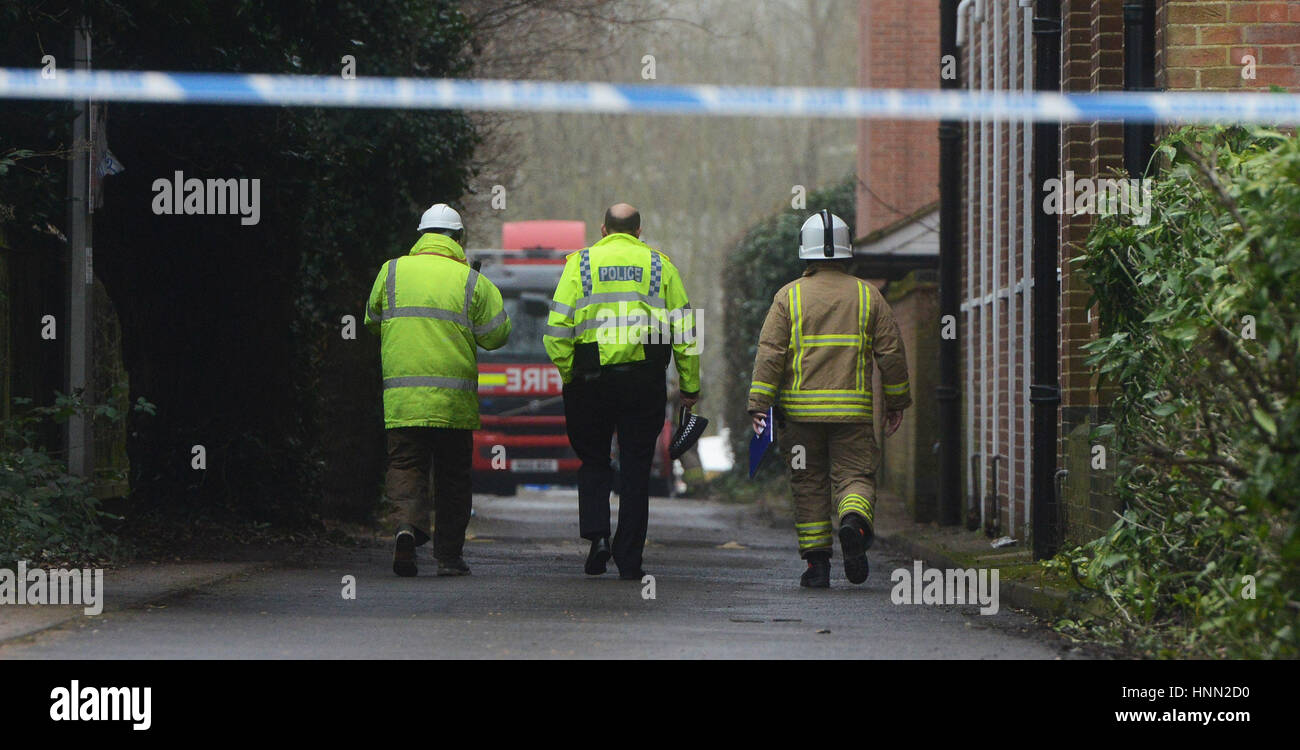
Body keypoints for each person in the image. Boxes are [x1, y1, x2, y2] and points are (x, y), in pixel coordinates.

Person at [746, 210, 911, 589]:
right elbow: (891, 353)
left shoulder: (788, 297)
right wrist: (897, 400)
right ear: (846, 251)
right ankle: (853, 522)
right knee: (854, 476)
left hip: (801, 417)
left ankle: (817, 566)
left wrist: (760, 404)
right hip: (852, 414)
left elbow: (770, 353)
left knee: (808, 482)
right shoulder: (869, 296)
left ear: (806, 252)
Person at [543, 203, 700, 579]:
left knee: (594, 460)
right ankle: (629, 558)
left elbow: (557, 330)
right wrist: (690, 386)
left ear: (603, 230)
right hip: (644, 380)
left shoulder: (579, 265)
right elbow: (685, 331)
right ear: (638, 231)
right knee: (636, 467)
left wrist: (570, 373)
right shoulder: (661, 265)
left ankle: (598, 538)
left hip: (590, 380)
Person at [364, 203, 511, 577]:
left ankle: (405, 529)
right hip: (453, 403)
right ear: (458, 239)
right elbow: (497, 335)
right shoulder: (471, 281)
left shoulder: (391, 271)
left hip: (403, 397)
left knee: (405, 465)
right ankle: (448, 557)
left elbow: (372, 321)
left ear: (421, 236)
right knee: (453, 476)